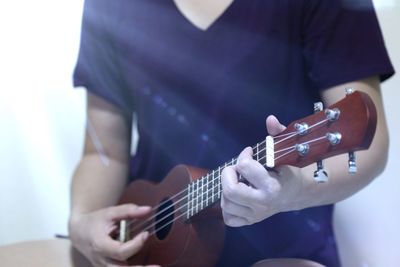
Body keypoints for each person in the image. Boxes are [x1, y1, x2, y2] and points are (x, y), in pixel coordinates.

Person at [69, 0, 394, 266]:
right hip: (153, 249)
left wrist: (294, 191)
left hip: (284, 256)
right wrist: (81, 222)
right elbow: (103, 151)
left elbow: (367, 144)